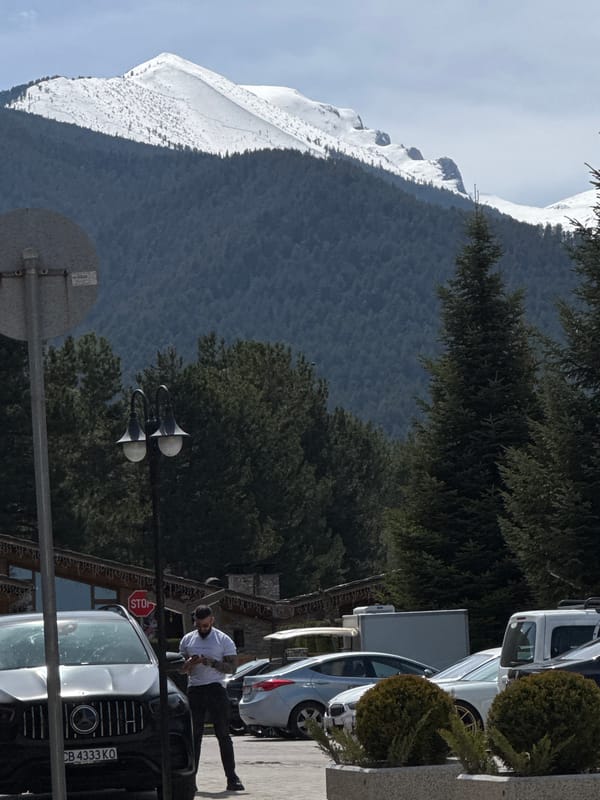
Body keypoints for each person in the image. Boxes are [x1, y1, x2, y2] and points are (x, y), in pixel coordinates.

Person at [179, 604, 245, 792]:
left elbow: (232, 668)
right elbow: (181, 669)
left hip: (216, 688)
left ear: (212, 621)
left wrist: (210, 662)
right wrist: (190, 663)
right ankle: (191, 780)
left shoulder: (223, 640)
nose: (202, 629)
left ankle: (232, 778)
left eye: (205, 626)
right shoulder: (187, 640)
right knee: (194, 736)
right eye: (199, 626)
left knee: (223, 734)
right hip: (195, 689)